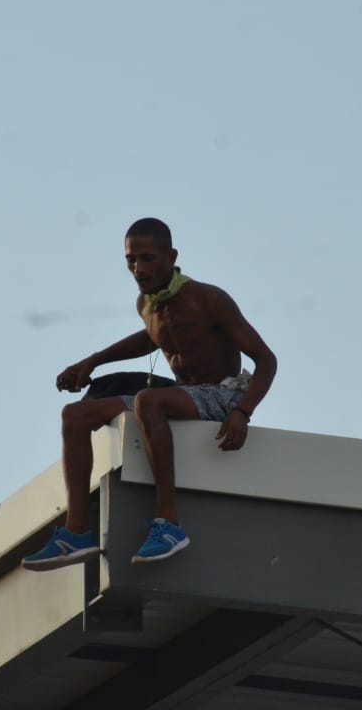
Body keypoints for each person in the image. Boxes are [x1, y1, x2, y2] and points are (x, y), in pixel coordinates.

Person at [21, 217, 277, 570]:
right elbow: (152, 337)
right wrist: (92, 362)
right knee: (75, 416)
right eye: (130, 260)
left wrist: (243, 412)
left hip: (222, 397)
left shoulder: (208, 299)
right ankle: (76, 532)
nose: (138, 268)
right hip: (181, 395)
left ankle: (169, 524)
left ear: (171, 256)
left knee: (147, 400)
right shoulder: (147, 304)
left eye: (147, 258)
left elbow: (267, 360)